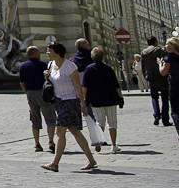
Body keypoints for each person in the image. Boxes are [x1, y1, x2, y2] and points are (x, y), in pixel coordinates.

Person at [40, 41, 98, 172]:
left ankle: (55, 163)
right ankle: (91, 160)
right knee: (75, 131)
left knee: (60, 131)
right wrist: (46, 77)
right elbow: (52, 84)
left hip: (71, 101)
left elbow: (78, 86)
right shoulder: (51, 65)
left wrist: (82, 104)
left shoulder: (70, 66)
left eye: (49, 50)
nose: (47, 53)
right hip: (59, 101)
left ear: (56, 52)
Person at [81, 47, 123, 153]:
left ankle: (98, 142)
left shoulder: (89, 69)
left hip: (96, 100)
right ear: (103, 56)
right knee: (112, 122)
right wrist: (121, 98)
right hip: (110, 99)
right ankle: (113, 146)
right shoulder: (108, 69)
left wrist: (84, 100)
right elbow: (116, 86)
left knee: (100, 122)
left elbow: (85, 87)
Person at [18, 45, 56, 153]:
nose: (40, 54)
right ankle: (51, 141)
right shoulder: (43, 65)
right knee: (50, 118)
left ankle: (37, 144)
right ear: (35, 54)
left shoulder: (23, 66)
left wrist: (27, 92)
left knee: (35, 119)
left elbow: (22, 83)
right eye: (38, 52)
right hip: (43, 93)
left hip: (30, 93)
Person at [141, 36, 171, 126]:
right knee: (164, 98)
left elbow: (143, 66)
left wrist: (145, 75)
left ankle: (156, 115)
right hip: (161, 76)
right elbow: (166, 61)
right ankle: (165, 119)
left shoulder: (144, 52)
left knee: (154, 97)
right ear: (155, 42)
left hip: (151, 77)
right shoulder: (160, 50)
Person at [158, 36, 179, 137]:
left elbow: (163, 72)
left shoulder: (169, 58)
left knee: (175, 111)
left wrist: (160, 64)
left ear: (174, 46)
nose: (166, 46)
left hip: (175, 86)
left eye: (168, 44)